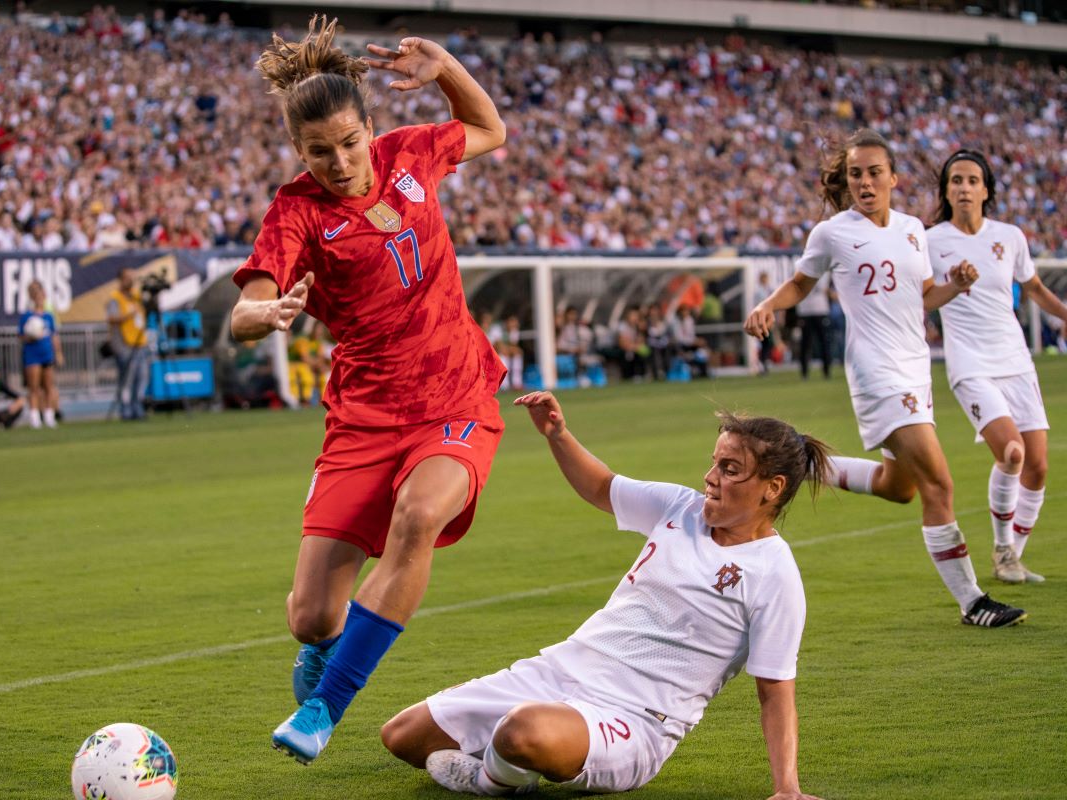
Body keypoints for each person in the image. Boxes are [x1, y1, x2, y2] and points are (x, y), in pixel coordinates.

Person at [228, 16, 507, 765]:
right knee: (312, 615)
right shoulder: (296, 211)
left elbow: (489, 128)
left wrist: (446, 63)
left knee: (419, 516)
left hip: (455, 396)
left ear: (368, 128)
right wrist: (269, 311)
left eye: (349, 143)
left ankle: (325, 710)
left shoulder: (411, 152)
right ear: (298, 151)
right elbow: (245, 307)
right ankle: (323, 653)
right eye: (319, 152)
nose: (340, 161)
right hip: (364, 414)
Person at [382, 391, 829, 799]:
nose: (711, 477)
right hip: (562, 672)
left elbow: (774, 690)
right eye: (714, 463)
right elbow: (601, 487)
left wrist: (787, 789)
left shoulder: (774, 573)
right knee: (402, 735)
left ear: (773, 488)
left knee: (522, 731)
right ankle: (511, 762)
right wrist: (558, 434)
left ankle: (491, 781)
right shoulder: (680, 508)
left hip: (637, 720)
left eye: (730, 470)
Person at [744, 128, 1025, 628]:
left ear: (894, 178)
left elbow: (922, 299)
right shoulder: (832, 232)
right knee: (939, 482)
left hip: (916, 371)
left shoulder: (913, 229)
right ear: (847, 181)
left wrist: (955, 287)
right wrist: (768, 304)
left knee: (901, 487)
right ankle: (973, 602)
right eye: (856, 174)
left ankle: (810, 465)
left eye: (875, 172)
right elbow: (799, 283)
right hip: (876, 374)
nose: (865, 182)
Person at [927, 149, 1067, 584]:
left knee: (1038, 466)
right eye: (956, 181)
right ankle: (1004, 550)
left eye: (972, 180)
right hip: (969, 363)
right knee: (1011, 453)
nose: (963, 188)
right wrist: (956, 284)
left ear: (986, 190)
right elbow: (923, 300)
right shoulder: (930, 241)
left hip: (1015, 358)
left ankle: (1012, 555)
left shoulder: (1010, 236)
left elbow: (1036, 288)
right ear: (947, 190)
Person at [106, 267, 149, 421]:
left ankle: (138, 408)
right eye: (127, 277)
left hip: (140, 342)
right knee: (127, 380)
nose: (131, 280)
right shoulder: (115, 297)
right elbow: (111, 318)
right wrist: (127, 316)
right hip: (125, 344)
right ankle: (126, 410)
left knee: (141, 377)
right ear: (120, 280)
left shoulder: (137, 296)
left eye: (132, 277)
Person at [19, 280, 63, 429]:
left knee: (49, 386)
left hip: (47, 354)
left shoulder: (48, 316)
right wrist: (30, 336)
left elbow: (54, 336)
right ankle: (34, 416)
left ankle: (49, 415)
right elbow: (21, 336)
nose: (40, 299)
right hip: (32, 354)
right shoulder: (27, 316)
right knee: (34, 387)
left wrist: (58, 353)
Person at [796, 273, 833, 380]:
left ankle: (825, 371)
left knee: (823, 343)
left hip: (818, 310)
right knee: (807, 344)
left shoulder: (822, 270)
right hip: (807, 311)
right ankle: (805, 372)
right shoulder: (800, 267)